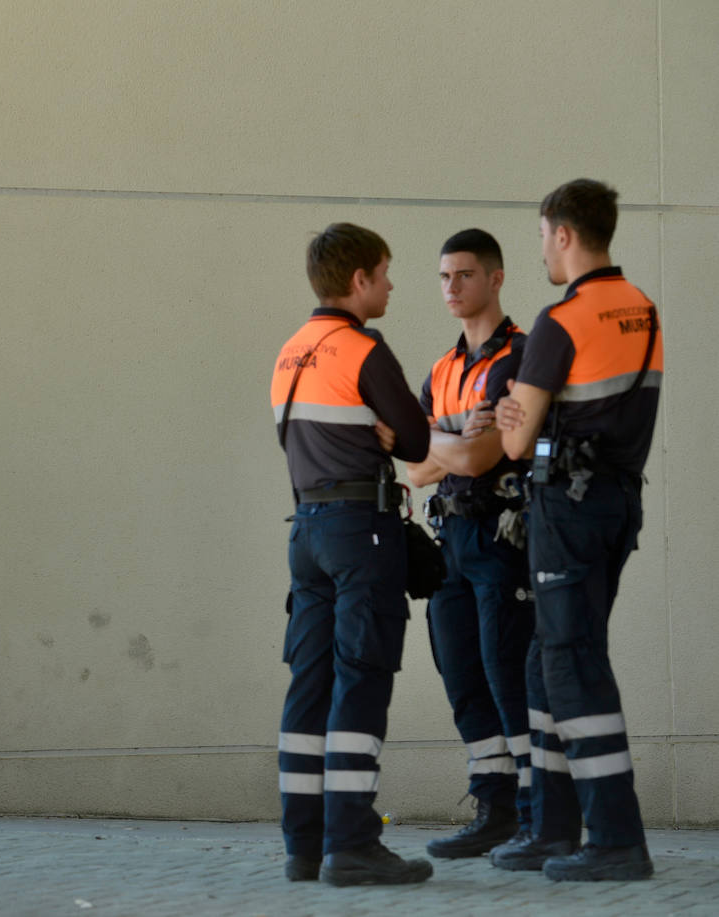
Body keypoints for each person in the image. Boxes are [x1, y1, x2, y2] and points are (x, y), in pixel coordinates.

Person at [494, 179, 661, 881]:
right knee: (548, 659)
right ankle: (554, 827)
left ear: (563, 233)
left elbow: (513, 440)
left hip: (566, 507)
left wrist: (510, 412)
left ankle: (616, 837)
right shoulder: (641, 309)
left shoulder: (561, 320)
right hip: (617, 502)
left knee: (572, 661)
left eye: (541, 237)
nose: (542, 251)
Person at [270, 223, 433, 886]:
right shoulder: (362, 349)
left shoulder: (291, 350)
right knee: (361, 677)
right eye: (385, 273)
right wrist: (389, 430)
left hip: (306, 531)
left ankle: (303, 845)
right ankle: (353, 843)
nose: (391, 284)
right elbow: (417, 439)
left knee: (309, 684)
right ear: (359, 280)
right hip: (360, 530)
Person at [403, 229, 534, 858]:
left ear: (496, 278)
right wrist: (454, 433)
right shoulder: (443, 367)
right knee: (460, 673)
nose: (451, 289)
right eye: (444, 277)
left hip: (502, 536)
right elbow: (416, 468)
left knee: (508, 673)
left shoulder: (523, 358)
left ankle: (540, 815)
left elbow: (483, 458)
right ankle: (496, 807)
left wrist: (438, 437)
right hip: (449, 537)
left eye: (464, 276)